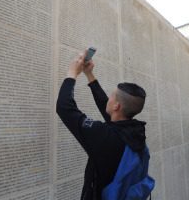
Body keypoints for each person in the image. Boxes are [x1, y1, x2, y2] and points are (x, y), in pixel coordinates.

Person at [56, 52, 149, 200]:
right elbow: (109, 111)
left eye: (112, 96)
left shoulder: (104, 136)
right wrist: (89, 75)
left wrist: (72, 73)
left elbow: (65, 108)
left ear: (117, 106)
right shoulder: (135, 132)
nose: (108, 99)